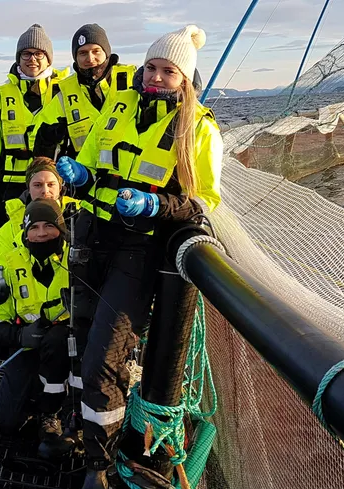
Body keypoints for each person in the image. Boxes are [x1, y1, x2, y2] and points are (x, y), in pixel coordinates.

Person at [54, 25, 223, 488]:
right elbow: (90, 163)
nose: (155, 76)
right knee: (80, 343)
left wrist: (156, 205)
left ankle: (100, 467)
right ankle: (85, 433)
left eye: (168, 71)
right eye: (151, 67)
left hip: (139, 251)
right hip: (92, 242)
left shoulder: (199, 128)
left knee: (103, 361)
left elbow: (206, 200)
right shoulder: (120, 104)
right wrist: (78, 173)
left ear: (185, 79)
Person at [0, 199, 78, 458]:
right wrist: (19, 335)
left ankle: (54, 412)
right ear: (25, 232)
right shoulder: (12, 264)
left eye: (49, 226)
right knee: (5, 421)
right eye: (34, 227)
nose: (42, 233)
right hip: (29, 346)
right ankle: (35, 394)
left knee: (60, 343)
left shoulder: (78, 259)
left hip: (71, 347)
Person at [0, 24, 69, 231]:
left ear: (48, 58)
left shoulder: (65, 93)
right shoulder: (1, 98)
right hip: (9, 190)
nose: (32, 59)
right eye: (26, 54)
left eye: (39, 53)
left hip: (52, 187)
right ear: (18, 58)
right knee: (10, 250)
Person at [0, 157, 80, 305]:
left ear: (61, 186)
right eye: (38, 185)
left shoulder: (79, 215)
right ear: (28, 187)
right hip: (29, 303)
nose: (45, 191)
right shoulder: (10, 227)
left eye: (51, 184)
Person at [32, 24, 136, 160]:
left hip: (125, 174)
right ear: (75, 57)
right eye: (83, 53)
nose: (90, 58)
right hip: (82, 175)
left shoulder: (133, 81)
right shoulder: (65, 92)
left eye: (96, 51)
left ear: (107, 53)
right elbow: (41, 134)